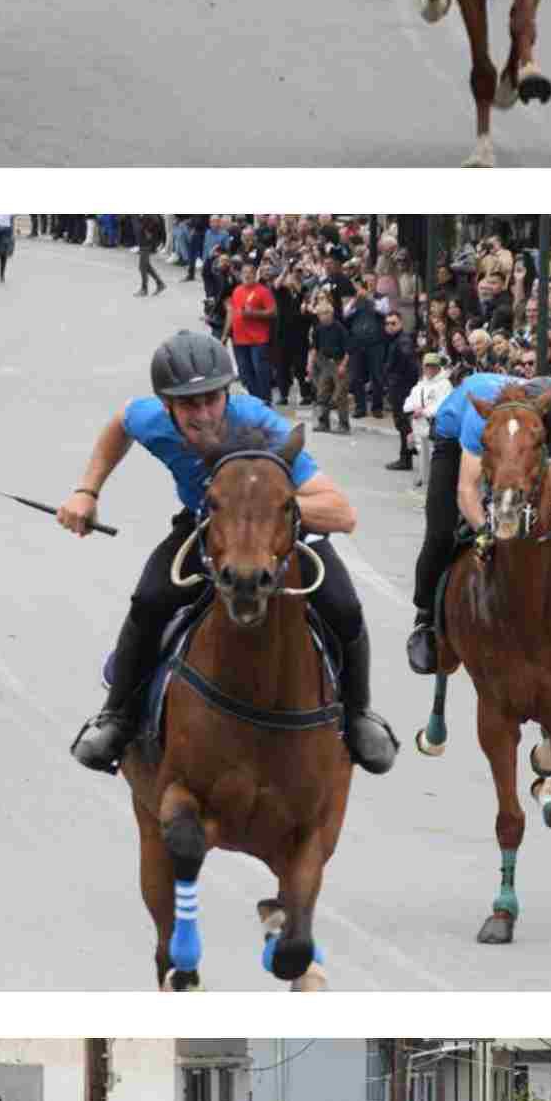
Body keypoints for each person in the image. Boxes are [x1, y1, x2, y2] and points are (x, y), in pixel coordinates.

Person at [64, 330, 392, 773]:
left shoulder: (263, 427)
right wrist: (87, 491)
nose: (203, 415)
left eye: (211, 400)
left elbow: (342, 513)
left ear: (226, 394)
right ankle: (117, 717)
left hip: (279, 531)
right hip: (208, 526)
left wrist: (273, 509)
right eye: (188, 405)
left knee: (343, 605)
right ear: (166, 406)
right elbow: (120, 423)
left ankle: (358, 715)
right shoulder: (150, 419)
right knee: (150, 600)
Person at [409, 367, 551, 673]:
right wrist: (485, 530)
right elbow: (467, 490)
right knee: (440, 532)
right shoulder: (480, 419)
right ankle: (425, 619)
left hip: (528, 440)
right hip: (458, 439)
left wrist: (531, 517)